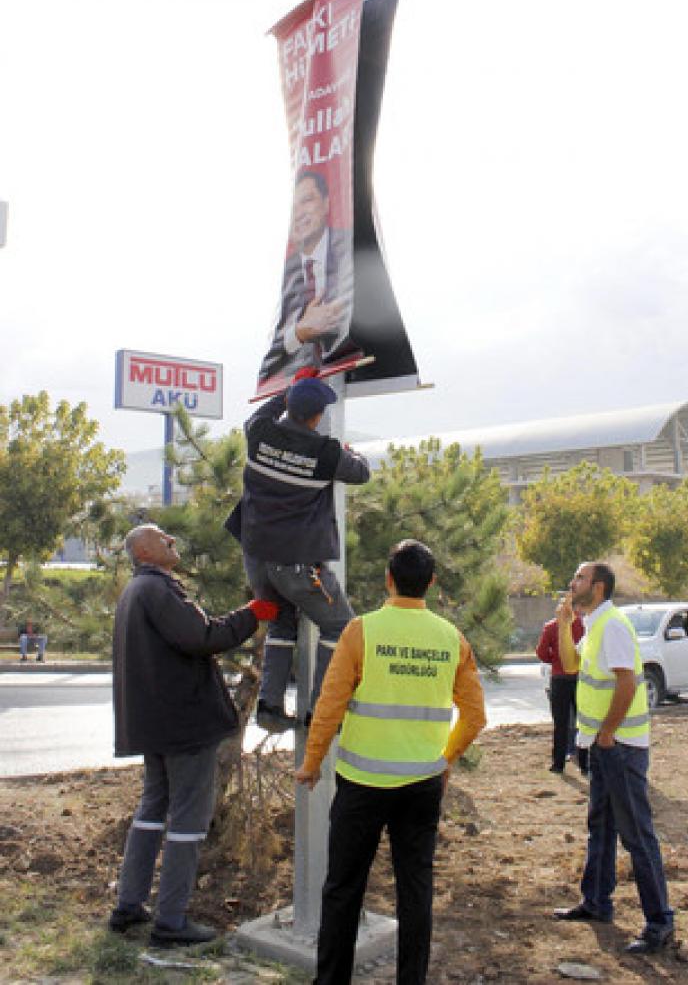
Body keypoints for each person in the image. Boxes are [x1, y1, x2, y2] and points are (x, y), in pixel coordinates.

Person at [296, 539, 487, 985]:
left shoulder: (362, 631)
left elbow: (330, 704)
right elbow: (475, 716)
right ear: (432, 584)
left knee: (343, 889)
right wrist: (445, 759)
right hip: (421, 785)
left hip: (362, 784)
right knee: (415, 890)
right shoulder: (451, 639)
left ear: (388, 578)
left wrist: (311, 762)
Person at [109, 523, 277, 946]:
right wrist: (253, 614)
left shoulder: (135, 592)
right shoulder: (156, 590)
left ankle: (129, 906)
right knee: (188, 819)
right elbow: (199, 637)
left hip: (155, 725)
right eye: (162, 538)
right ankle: (171, 921)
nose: (172, 540)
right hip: (184, 724)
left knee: (151, 811)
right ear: (143, 553)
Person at [227, 375, 369, 732]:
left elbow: (258, 416)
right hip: (297, 563)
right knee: (339, 625)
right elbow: (362, 472)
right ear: (317, 417)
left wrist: (286, 392)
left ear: (288, 406)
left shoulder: (259, 433)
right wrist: (350, 451)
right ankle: (322, 710)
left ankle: (270, 707)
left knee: (282, 621)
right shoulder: (327, 453)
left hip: (256, 556)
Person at [553, 561, 675, 955]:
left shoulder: (614, 626)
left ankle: (660, 923)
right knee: (600, 826)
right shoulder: (594, 623)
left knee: (636, 834)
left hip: (619, 748)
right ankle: (596, 903)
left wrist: (607, 733)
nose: (573, 583)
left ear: (599, 587)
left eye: (580, 578)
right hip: (603, 747)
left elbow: (627, 682)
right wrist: (562, 622)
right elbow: (571, 666)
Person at [258, 170, 355, 385]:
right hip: (305, 390)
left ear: (327, 203)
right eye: (293, 208)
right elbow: (271, 363)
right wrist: (300, 331)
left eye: (307, 201)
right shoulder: (290, 272)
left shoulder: (351, 251)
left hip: (352, 374)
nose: (299, 213)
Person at [535, 611, 587, 774]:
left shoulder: (551, 627)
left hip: (559, 677)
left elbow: (541, 652)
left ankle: (558, 763)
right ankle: (585, 763)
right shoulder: (583, 624)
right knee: (583, 721)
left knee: (560, 723)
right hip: (580, 676)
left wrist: (555, 659)